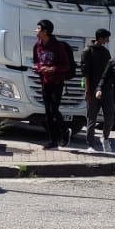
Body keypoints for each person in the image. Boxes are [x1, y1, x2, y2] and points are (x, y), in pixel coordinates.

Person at [31, 19, 74, 150]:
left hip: (57, 82)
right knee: (47, 113)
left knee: (54, 109)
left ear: (45, 31)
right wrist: (38, 67)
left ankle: (65, 130)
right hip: (44, 82)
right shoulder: (37, 46)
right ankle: (52, 140)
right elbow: (37, 62)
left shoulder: (57, 46)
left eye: (38, 28)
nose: (36, 31)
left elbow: (65, 65)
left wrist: (51, 69)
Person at [80, 28, 115, 153]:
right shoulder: (87, 51)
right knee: (92, 118)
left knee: (110, 116)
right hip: (92, 90)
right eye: (107, 38)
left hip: (106, 90)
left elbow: (109, 71)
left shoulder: (105, 52)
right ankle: (90, 145)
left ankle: (105, 138)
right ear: (101, 38)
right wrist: (87, 91)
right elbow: (85, 74)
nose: (108, 40)